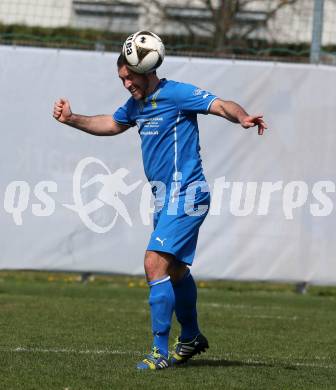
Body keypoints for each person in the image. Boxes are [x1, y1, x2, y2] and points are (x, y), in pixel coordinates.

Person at [53, 45, 267, 371]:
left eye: (129, 77)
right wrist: (71, 119)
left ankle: (159, 351)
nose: (126, 84)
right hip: (164, 198)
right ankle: (192, 337)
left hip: (187, 194)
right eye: (121, 79)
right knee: (176, 271)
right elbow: (110, 124)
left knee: (154, 264)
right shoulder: (136, 105)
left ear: (147, 69)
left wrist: (242, 117)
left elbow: (220, 104)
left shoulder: (177, 93)